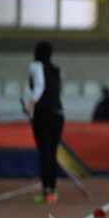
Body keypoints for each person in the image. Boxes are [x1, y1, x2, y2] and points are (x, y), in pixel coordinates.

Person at [24, 41, 65, 204]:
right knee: (52, 153)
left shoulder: (35, 66)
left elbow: (39, 86)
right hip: (59, 113)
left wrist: (30, 105)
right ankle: (52, 190)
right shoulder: (56, 70)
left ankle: (46, 190)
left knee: (45, 152)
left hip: (44, 113)